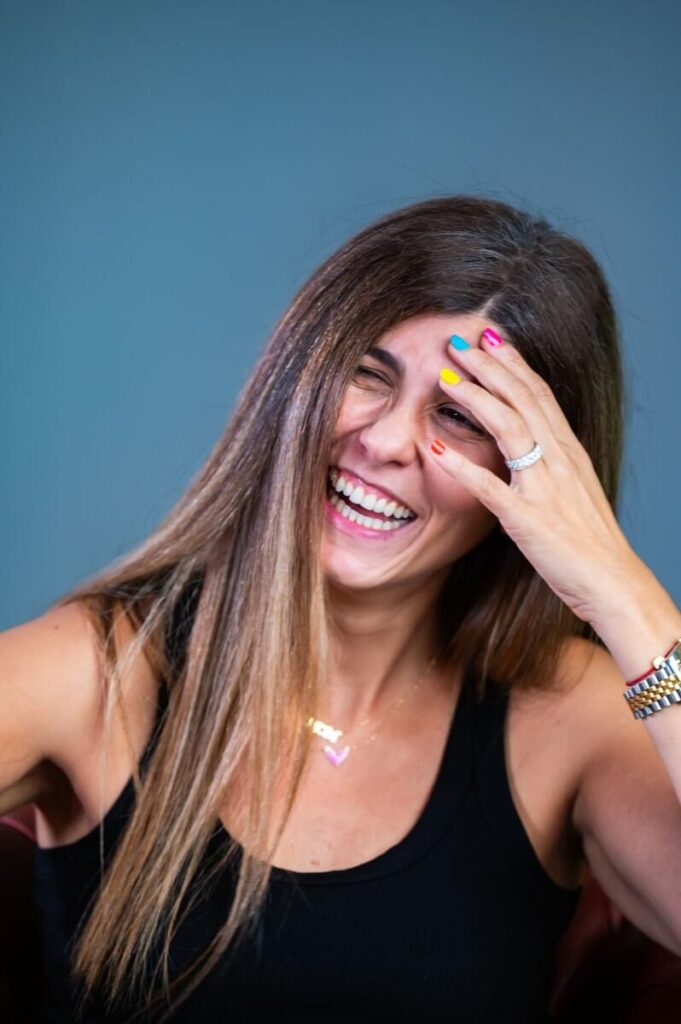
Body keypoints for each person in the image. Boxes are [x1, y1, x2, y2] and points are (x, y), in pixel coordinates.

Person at [1, 195, 680, 1023]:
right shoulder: (101, 669)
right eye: (367, 374)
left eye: (459, 415)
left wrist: (620, 591)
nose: (386, 442)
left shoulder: (568, 717)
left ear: (539, 474)